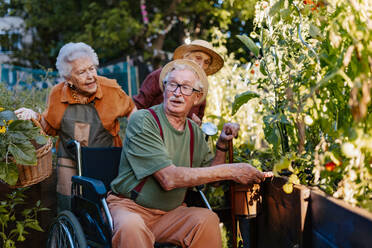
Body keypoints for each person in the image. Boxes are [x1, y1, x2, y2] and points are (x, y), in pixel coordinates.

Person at [108, 59, 272, 248]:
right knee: (131, 227)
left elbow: (213, 177)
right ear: (164, 89)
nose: (177, 93)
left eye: (186, 87)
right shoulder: (144, 120)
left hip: (170, 214)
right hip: (131, 209)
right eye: (173, 85)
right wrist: (232, 170)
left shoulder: (194, 132)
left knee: (207, 220)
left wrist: (221, 145)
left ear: (196, 97)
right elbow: (168, 179)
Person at [15, 42, 136, 211]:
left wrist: (134, 138)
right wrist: (34, 115)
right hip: (69, 158)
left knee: (107, 204)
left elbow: (133, 112)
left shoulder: (111, 89)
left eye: (91, 68)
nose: (90, 76)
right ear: (68, 78)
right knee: (68, 203)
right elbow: (48, 128)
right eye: (81, 72)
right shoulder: (57, 94)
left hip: (105, 156)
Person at [133, 39, 224, 125]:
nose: (201, 64)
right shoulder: (161, 76)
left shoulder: (200, 90)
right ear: (186, 57)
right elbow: (137, 108)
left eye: (206, 62)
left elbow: (198, 119)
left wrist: (196, 124)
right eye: (198, 58)